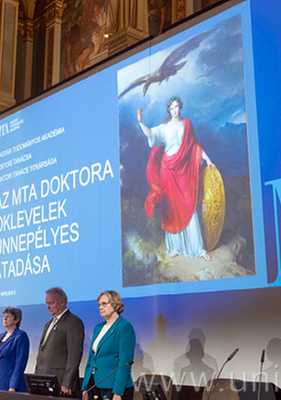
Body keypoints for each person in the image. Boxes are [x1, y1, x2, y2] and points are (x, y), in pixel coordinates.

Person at [137, 96, 215, 261]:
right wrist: (140, 122)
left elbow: (195, 146)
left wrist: (207, 159)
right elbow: (150, 134)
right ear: (169, 110)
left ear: (180, 107)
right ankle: (175, 247)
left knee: (189, 204)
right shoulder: (164, 127)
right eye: (171, 108)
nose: (174, 110)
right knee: (171, 208)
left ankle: (199, 249)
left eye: (176, 107)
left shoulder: (187, 124)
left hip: (183, 170)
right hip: (168, 170)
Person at [82, 290, 135, 400]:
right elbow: (91, 359)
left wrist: (118, 392)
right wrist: (85, 386)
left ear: (116, 305)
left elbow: (124, 363)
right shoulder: (98, 328)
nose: (100, 307)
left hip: (113, 386)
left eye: (104, 304)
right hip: (94, 384)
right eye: (99, 305)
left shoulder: (124, 327)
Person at [35, 287, 85, 397]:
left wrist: (67, 382)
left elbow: (74, 355)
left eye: (51, 303)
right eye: (46, 303)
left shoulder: (73, 322)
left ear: (62, 302)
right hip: (44, 381)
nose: (48, 307)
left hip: (60, 383)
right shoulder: (48, 324)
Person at [0, 306, 30, 392]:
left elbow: (20, 364)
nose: (5, 319)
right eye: (3, 316)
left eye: (8, 316)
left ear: (16, 320)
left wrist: (13, 386)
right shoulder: (0, 336)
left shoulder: (20, 336)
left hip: (10, 385)